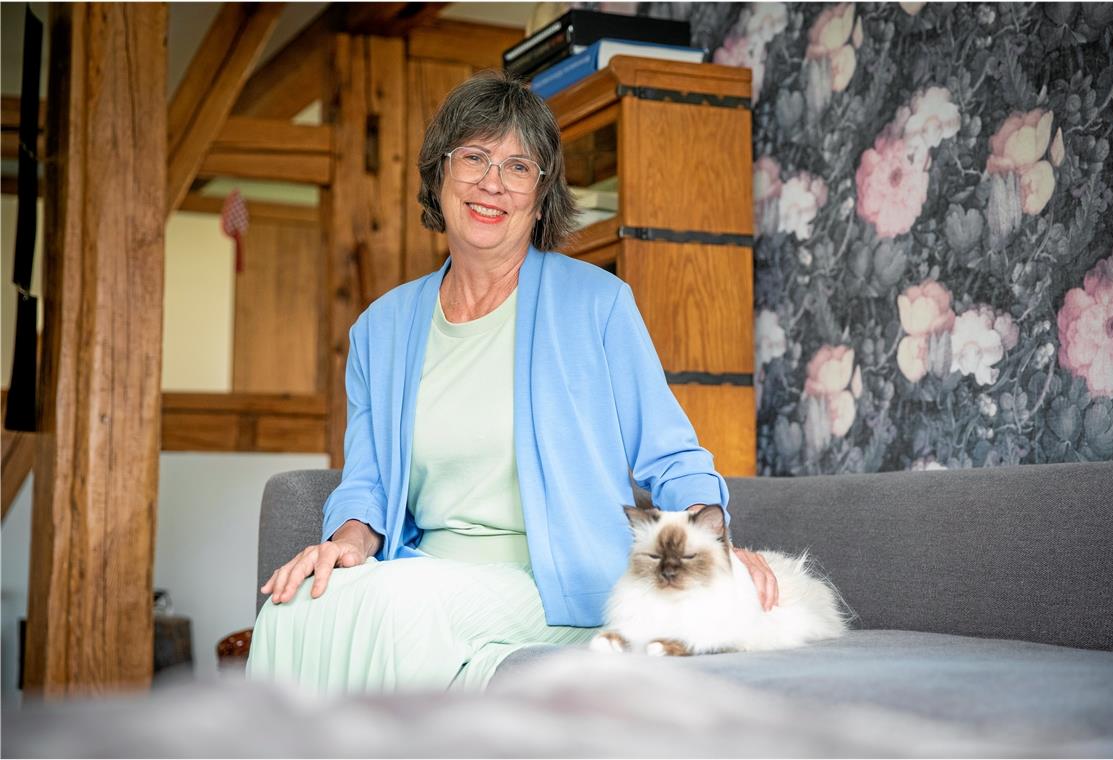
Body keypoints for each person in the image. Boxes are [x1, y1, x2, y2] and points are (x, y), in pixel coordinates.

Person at [247, 71, 778, 693]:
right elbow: (366, 481)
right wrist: (345, 544)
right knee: (291, 609)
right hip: (424, 571)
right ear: (439, 174)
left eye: (518, 166)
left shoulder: (597, 304)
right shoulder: (379, 331)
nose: (492, 183)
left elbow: (671, 453)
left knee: (397, 605)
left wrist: (712, 547)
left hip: (557, 584)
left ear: (540, 190)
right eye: (474, 157)